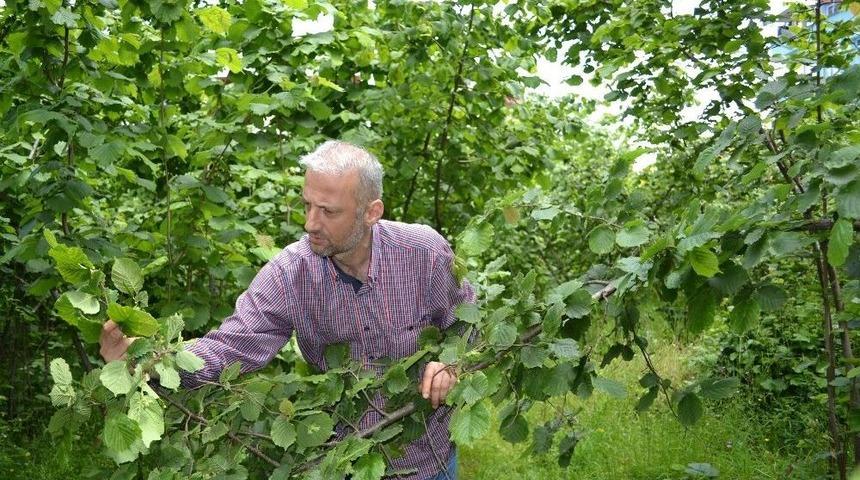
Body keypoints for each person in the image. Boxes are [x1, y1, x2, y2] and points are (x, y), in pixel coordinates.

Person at [99, 140, 474, 480]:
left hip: (428, 456)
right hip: (343, 459)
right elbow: (229, 348)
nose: (311, 223)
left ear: (370, 212)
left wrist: (453, 364)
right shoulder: (291, 274)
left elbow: (467, 321)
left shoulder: (423, 253)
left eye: (328, 211)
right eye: (307, 205)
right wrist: (148, 360)